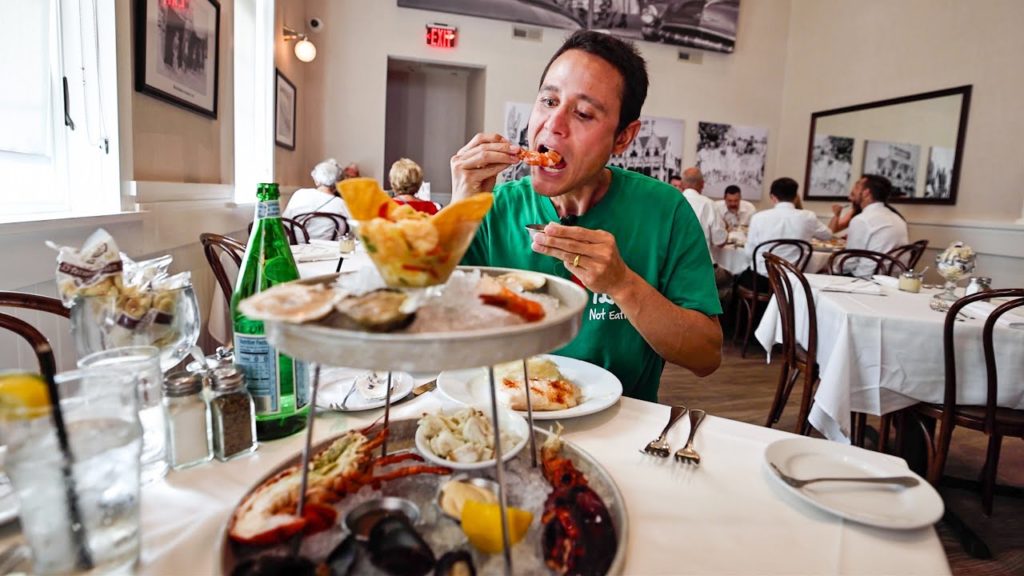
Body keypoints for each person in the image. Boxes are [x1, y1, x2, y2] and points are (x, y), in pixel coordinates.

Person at [450, 30, 722, 402]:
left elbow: (706, 357)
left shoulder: (666, 211)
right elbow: (426, 328)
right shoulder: (492, 206)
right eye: (548, 101)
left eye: (583, 113)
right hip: (503, 414)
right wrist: (457, 214)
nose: (553, 124)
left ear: (623, 137)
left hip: (623, 420)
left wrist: (623, 285)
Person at [742, 177, 832, 289]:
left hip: (763, 280)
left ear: (772, 197)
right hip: (794, 280)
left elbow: (750, 253)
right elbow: (828, 235)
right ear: (795, 197)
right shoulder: (808, 217)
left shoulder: (758, 218)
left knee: (739, 277)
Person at [844, 174, 909, 277]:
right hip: (894, 279)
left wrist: (830, 266)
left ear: (866, 193)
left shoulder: (862, 220)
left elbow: (850, 262)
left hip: (865, 279)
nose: (852, 191)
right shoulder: (897, 218)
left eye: (856, 187)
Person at [281, 158, 350, 240]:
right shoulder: (343, 204)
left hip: (297, 246)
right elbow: (349, 233)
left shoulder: (301, 194)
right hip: (330, 247)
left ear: (317, 180)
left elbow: (285, 224)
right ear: (339, 182)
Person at [672, 168, 727, 256]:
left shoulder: (671, 203)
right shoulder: (710, 204)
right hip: (701, 261)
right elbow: (719, 241)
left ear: (681, 184)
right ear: (702, 184)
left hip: (674, 261)